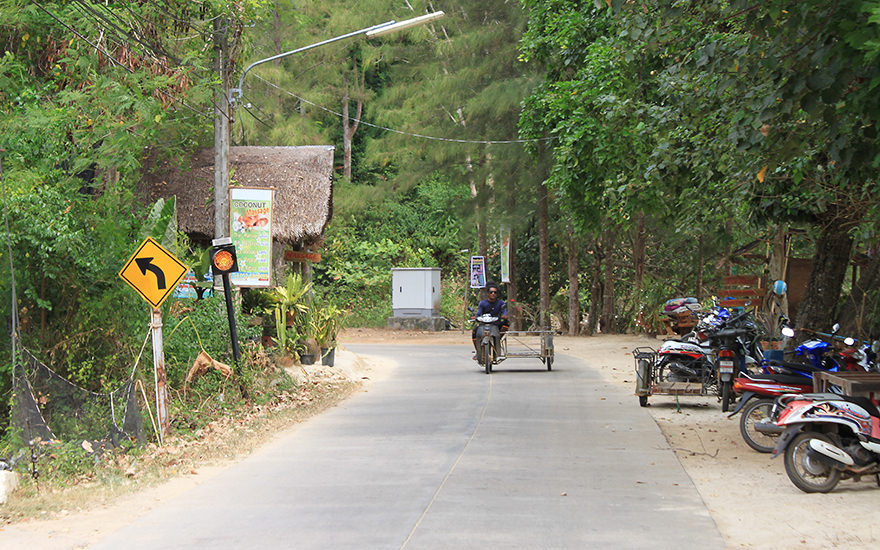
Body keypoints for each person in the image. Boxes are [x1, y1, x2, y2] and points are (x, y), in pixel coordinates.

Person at [471, 282, 509, 360]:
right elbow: (478, 313)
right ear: (488, 293)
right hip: (484, 324)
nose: (493, 294)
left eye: (495, 292)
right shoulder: (483, 303)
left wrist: (504, 315)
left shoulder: (501, 302)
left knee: (506, 323)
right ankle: (478, 351)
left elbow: (504, 311)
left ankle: (498, 339)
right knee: (474, 332)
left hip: (496, 324)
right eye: (491, 292)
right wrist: (476, 317)